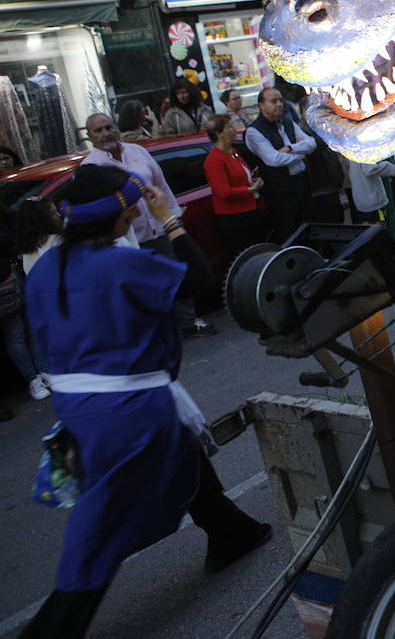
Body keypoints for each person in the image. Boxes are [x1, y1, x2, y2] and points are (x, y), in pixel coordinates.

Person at [18, 165, 271, 639]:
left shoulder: (48, 266)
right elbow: (199, 278)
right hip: (131, 411)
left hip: (80, 407)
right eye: (131, 203)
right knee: (103, 525)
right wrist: (169, 218)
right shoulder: (121, 265)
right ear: (115, 212)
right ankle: (54, 625)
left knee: (183, 457)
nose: (137, 210)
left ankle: (230, 532)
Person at [82, 113, 217, 338]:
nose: (105, 133)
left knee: (175, 274)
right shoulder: (91, 167)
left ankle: (188, 321)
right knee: (143, 285)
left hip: (159, 228)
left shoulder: (137, 151)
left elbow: (161, 185)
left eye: (108, 127)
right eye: (99, 130)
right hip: (128, 237)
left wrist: (171, 218)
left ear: (116, 127)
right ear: (90, 137)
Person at [246, 86, 316, 242]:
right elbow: (274, 159)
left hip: (302, 183)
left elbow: (312, 143)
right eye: (273, 101)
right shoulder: (254, 131)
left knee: (309, 228)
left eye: (280, 100)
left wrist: (291, 148)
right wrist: (301, 153)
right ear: (261, 105)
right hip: (280, 192)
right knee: (289, 233)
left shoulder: (288, 122)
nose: (279, 104)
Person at [0, 198, 53, 400]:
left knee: (31, 326)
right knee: (16, 333)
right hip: (4, 282)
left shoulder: (7, 215)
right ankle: (33, 378)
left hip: (17, 274)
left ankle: (44, 371)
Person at [202, 114, 267, 259]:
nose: (234, 130)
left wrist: (253, 182)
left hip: (249, 209)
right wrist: (251, 189)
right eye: (230, 127)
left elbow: (241, 177)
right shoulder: (214, 160)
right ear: (219, 134)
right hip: (235, 217)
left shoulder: (233, 152)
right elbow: (223, 192)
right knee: (245, 255)